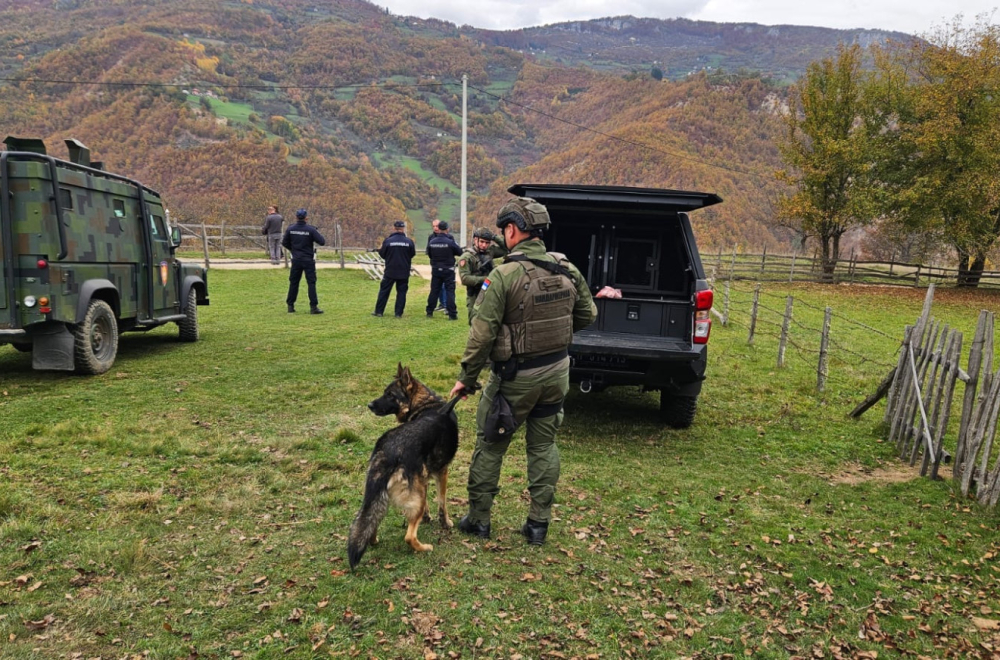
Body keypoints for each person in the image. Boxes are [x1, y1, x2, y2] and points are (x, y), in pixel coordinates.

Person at [449, 197, 597, 546]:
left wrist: (466, 379)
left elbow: (481, 334)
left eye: (504, 231)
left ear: (512, 230)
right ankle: (537, 525)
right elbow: (587, 315)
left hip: (515, 378)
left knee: (491, 444)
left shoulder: (503, 275)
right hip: (557, 372)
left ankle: (479, 520)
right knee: (543, 446)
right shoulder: (566, 268)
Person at [281, 208, 326, 314]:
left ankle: (290, 305)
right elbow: (322, 241)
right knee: (311, 283)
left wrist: (293, 249)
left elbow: (284, 242)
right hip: (308, 259)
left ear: (296, 217)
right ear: (306, 217)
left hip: (296, 259)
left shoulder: (291, 228)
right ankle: (313, 307)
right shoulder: (311, 230)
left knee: (294, 282)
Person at [458, 227, 504, 325]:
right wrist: (487, 279)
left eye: (487, 243)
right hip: (475, 295)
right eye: (482, 242)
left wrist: (494, 237)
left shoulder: (490, 252)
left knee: (492, 323)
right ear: (475, 240)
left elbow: (507, 248)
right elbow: (465, 279)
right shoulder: (467, 257)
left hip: (490, 293)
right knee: (475, 323)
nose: (484, 245)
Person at [373, 220, 416, 317]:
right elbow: (412, 254)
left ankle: (379, 311)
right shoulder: (409, 242)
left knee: (384, 291)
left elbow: (382, 254)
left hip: (390, 270)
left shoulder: (388, 241)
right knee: (401, 292)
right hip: (403, 270)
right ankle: (398, 313)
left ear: (394, 228)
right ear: (403, 228)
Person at [425, 220, 462, 321]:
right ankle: (452, 314)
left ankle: (429, 311)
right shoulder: (450, 242)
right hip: (448, 269)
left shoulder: (432, 242)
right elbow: (459, 252)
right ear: (447, 229)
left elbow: (429, 254)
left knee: (434, 291)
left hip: (436, 269)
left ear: (438, 229)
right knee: (450, 291)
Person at [427, 219, 449, 312]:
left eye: (437, 226)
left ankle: (445, 304)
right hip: (435, 265)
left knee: (445, 286)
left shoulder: (449, 237)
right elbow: (429, 251)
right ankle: (441, 303)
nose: (435, 228)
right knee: (437, 286)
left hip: (446, 266)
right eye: (434, 226)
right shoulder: (431, 237)